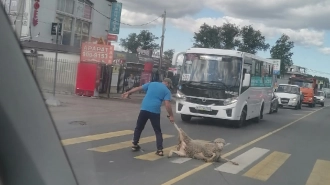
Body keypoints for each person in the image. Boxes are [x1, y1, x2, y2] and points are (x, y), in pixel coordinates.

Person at [122, 78, 175, 156]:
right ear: (167, 83)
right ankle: (159, 150)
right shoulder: (167, 91)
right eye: (169, 85)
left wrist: (128, 92)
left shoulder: (152, 84)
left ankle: (134, 144)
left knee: (139, 127)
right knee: (157, 131)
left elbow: (138, 88)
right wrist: (171, 115)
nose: (169, 87)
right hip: (155, 111)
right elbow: (167, 104)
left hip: (144, 108)